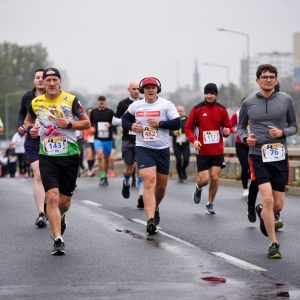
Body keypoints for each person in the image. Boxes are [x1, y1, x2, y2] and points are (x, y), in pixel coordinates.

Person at [25, 67, 90, 255]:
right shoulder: (36, 102)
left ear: (59, 82)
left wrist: (70, 124)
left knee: (65, 202)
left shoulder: (71, 100)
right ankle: (58, 240)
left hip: (69, 155)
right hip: (47, 155)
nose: (51, 83)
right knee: (51, 196)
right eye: (48, 80)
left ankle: (60, 216)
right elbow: (29, 122)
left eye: (55, 80)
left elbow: (86, 122)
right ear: (42, 83)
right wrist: (31, 130)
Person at [238, 64, 298, 259]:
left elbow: (294, 127)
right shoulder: (248, 102)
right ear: (257, 80)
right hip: (257, 155)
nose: (269, 79)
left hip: (279, 155)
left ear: (277, 79)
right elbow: (240, 128)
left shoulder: (286, 100)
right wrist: (246, 138)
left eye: (272, 76)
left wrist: (282, 132)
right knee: (268, 198)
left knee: (278, 204)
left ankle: (264, 212)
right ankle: (273, 243)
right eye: (264, 76)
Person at [122, 77, 181, 234]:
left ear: (157, 89)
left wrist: (160, 124)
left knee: (161, 187)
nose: (150, 90)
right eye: (147, 87)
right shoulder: (136, 105)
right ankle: (149, 220)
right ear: (142, 91)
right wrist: (131, 125)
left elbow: (177, 123)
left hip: (161, 149)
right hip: (143, 147)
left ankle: (155, 208)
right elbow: (125, 119)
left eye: (153, 87)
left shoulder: (166, 105)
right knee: (148, 182)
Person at [184, 83, 231, 215]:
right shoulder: (197, 109)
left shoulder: (222, 109)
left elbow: (227, 128)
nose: (209, 96)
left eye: (212, 93)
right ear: (204, 94)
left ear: (216, 95)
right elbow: (188, 128)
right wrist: (194, 140)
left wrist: (227, 131)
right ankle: (198, 188)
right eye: (207, 93)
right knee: (204, 180)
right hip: (202, 150)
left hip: (217, 150)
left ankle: (210, 203)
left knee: (215, 178)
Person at [17, 69, 47, 227]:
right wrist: (22, 127)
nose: (41, 80)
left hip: (51, 141)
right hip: (33, 140)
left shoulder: (53, 98)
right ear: (34, 81)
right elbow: (22, 115)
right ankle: (41, 213)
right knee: (39, 175)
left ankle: (50, 202)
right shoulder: (27, 97)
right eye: (38, 78)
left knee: (50, 177)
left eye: (43, 77)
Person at [114, 81, 144, 208]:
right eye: (134, 89)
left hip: (142, 140)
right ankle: (126, 182)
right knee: (129, 169)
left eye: (138, 89)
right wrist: (126, 122)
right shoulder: (123, 104)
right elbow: (114, 120)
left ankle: (141, 196)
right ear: (129, 90)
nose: (136, 91)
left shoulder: (144, 102)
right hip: (128, 139)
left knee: (142, 170)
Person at [90, 96, 115, 186]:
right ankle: (102, 176)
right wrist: (92, 127)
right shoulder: (93, 112)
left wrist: (110, 125)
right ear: (97, 102)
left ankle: (106, 177)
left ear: (105, 102)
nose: (101, 102)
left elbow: (115, 123)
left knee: (107, 158)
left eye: (103, 101)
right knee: (100, 156)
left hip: (108, 139)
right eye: (100, 101)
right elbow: (91, 122)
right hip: (98, 138)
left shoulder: (110, 112)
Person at [230, 99, 250, 197]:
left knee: (253, 166)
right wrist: (235, 129)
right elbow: (228, 127)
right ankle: (245, 188)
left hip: (254, 144)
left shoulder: (257, 113)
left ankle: (252, 180)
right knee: (245, 165)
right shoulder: (236, 115)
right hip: (241, 143)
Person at [170, 105, 190, 183]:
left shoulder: (187, 119)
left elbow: (191, 128)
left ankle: (183, 169)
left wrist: (189, 135)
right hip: (176, 144)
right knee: (178, 160)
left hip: (185, 143)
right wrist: (173, 132)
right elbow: (167, 130)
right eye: (178, 111)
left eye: (181, 111)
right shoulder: (172, 119)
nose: (179, 113)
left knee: (186, 160)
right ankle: (180, 176)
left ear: (183, 112)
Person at [83, 108, 96, 177]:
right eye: (89, 112)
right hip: (87, 139)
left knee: (93, 157)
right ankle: (90, 170)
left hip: (94, 139)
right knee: (90, 155)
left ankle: (91, 168)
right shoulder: (86, 119)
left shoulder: (96, 120)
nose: (90, 114)